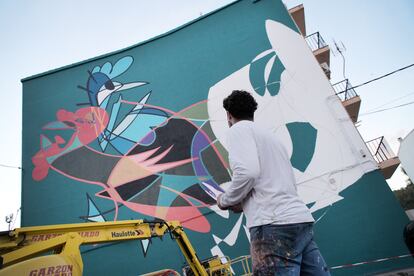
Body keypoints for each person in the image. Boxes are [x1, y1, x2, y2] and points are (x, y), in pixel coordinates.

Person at [216, 90, 330, 275]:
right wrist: (244, 202)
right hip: (299, 221)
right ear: (252, 112)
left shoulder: (238, 130)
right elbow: (271, 183)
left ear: (229, 115)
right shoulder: (271, 138)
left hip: (273, 225)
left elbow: (248, 173)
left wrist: (225, 200)